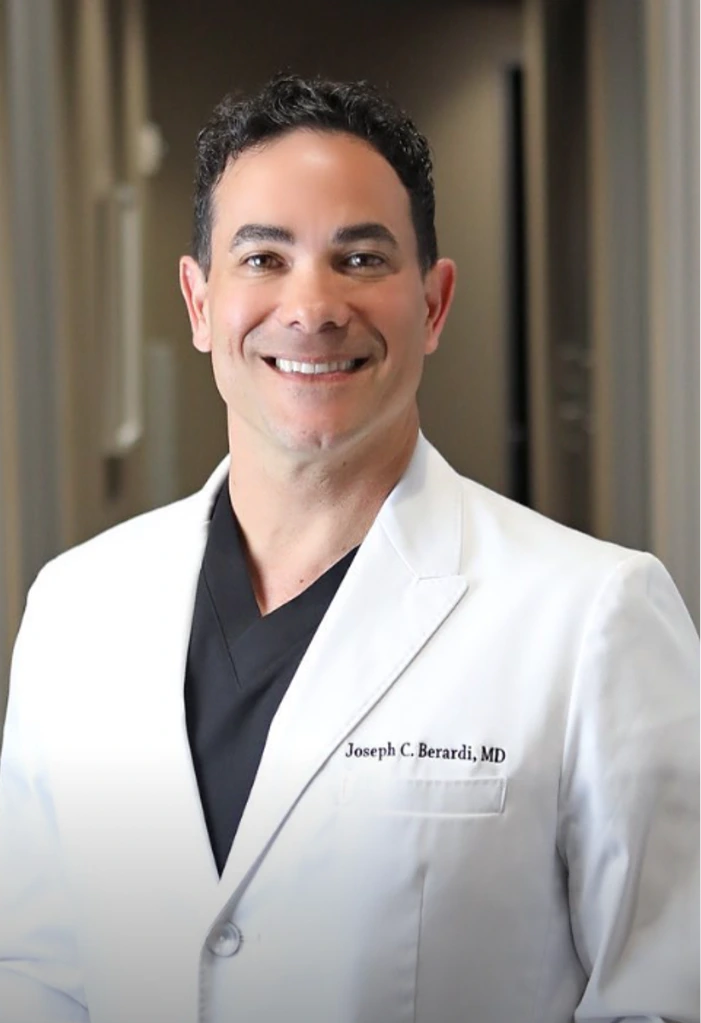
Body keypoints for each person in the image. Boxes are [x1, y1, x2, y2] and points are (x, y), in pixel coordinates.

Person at [0, 73, 699, 1023]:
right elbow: (35, 972)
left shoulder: (591, 617)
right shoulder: (76, 607)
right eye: (263, 257)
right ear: (199, 302)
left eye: (360, 258)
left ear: (434, 303)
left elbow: (664, 996)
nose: (313, 306)